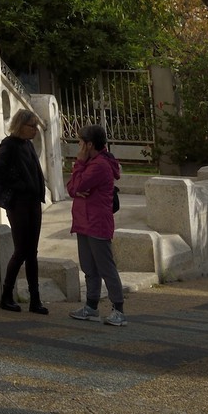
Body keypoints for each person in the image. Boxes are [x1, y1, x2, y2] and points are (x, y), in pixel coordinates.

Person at [67, 123, 126, 325]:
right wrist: (77, 184)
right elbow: (71, 187)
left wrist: (79, 164)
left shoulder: (99, 165)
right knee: (89, 267)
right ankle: (91, 307)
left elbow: (78, 185)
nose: (79, 147)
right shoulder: (91, 163)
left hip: (97, 223)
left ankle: (118, 309)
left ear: (89, 144)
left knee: (105, 267)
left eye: (81, 142)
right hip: (84, 221)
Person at [0, 107, 48, 313]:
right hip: (19, 204)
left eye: (35, 126)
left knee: (32, 252)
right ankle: (6, 295)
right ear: (20, 125)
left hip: (33, 203)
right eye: (31, 126)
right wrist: (22, 187)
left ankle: (35, 299)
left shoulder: (28, 145)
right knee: (22, 250)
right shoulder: (9, 144)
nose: (35, 130)